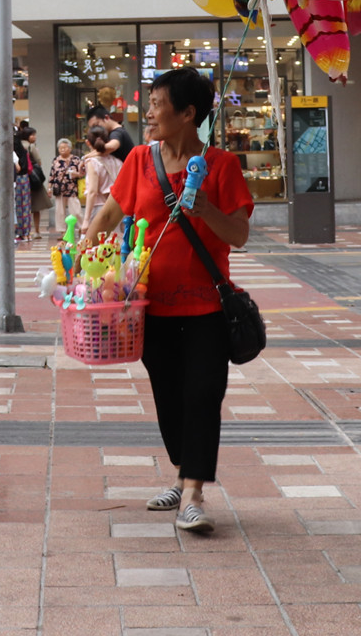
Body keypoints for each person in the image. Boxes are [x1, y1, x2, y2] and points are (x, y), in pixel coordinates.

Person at [84, 67, 253, 537]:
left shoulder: (221, 167)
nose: (149, 113)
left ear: (188, 114)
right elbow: (107, 216)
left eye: (158, 105)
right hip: (149, 307)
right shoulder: (140, 160)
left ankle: (194, 494)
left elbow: (239, 235)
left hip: (206, 309)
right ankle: (184, 475)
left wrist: (207, 211)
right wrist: (86, 254)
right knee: (169, 399)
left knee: (202, 395)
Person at [49, 139, 85, 238]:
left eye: (64, 148)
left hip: (72, 188)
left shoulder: (76, 160)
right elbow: (52, 175)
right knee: (60, 212)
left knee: (76, 211)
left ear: (70, 148)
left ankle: (82, 228)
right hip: (59, 189)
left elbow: (83, 173)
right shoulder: (56, 160)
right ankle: (63, 232)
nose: (62, 150)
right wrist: (49, 188)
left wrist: (76, 174)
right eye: (60, 148)